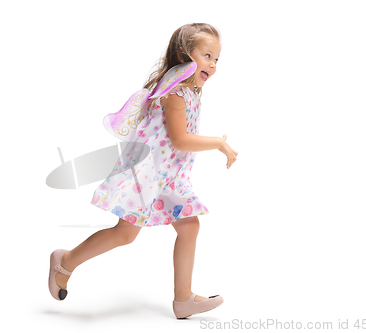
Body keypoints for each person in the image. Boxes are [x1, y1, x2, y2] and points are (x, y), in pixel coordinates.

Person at [48, 23, 238, 319]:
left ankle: (184, 298)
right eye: (207, 55)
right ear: (185, 55)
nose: (213, 65)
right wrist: (218, 144)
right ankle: (65, 261)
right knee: (125, 234)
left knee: (189, 227)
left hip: (169, 177)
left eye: (217, 59)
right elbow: (180, 139)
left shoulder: (191, 91)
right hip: (147, 176)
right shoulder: (175, 93)